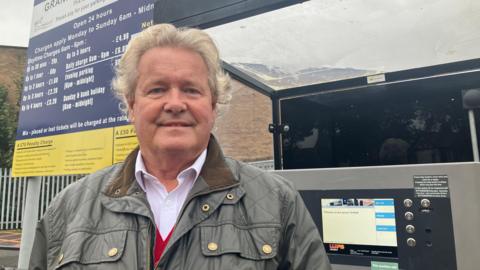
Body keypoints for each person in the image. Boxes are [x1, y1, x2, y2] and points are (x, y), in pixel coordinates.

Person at [29, 24, 331, 270]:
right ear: (131, 106)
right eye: (157, 89)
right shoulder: (68, 209)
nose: (175, 104)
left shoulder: (278, 202)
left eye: (191, 89)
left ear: (213, 105)